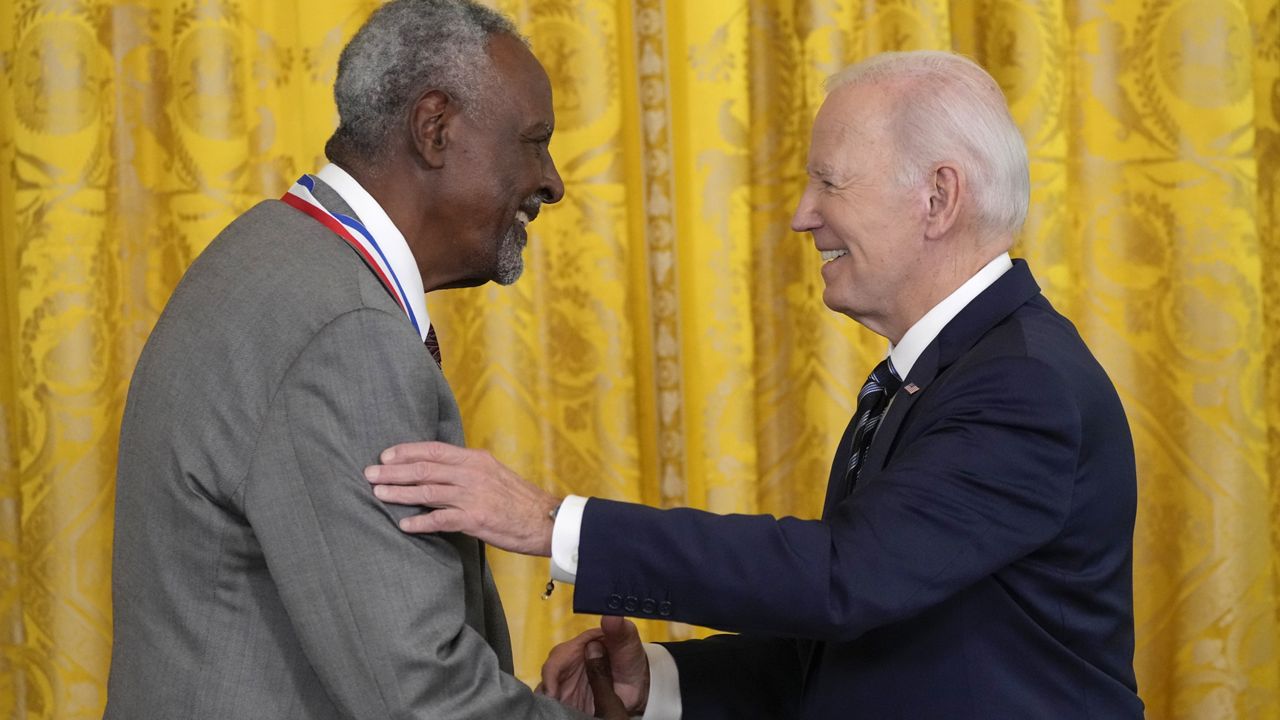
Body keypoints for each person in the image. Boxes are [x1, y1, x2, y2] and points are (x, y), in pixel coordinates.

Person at [365, 50, 1145, 718]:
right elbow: (862, 639)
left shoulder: (1023, 387)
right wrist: (659, 685)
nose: (804, 216)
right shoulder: (945, 372)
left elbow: (844, 580)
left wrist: (550, 522)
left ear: (937, 199)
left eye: (829, 184)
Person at [104, 1, 614, 717]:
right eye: (535, 142)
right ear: (435, 128)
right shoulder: (346, 338)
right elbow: (419, 694)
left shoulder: (273, 253)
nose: (553, 181)